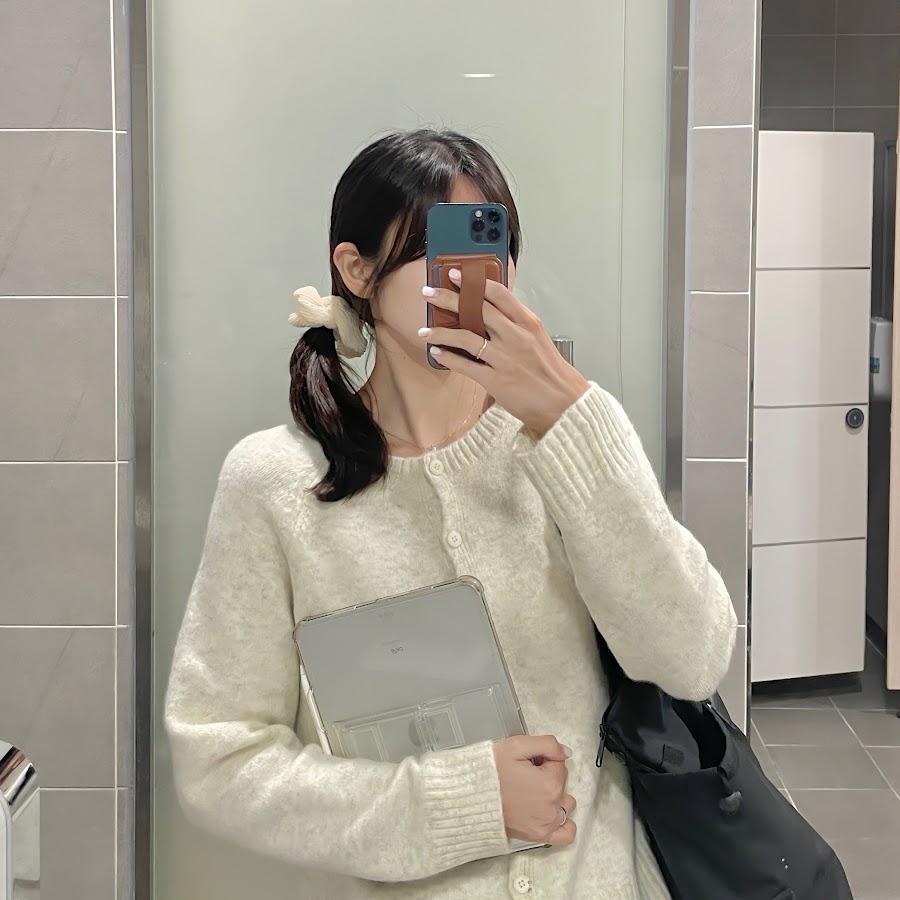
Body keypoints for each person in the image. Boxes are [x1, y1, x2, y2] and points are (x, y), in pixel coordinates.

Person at [165, 129, 737, 900]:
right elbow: (220, 761)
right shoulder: (274, 484)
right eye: (437, 247)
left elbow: (692, 657)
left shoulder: (567, 449)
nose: (470, 276)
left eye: (489, 244)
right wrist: (454, 805)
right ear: (356, 269)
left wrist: (570, 414)